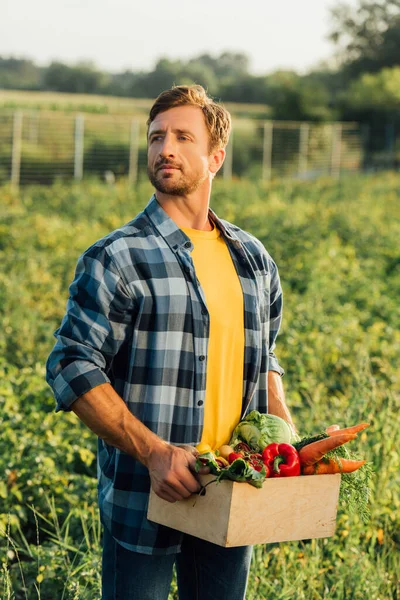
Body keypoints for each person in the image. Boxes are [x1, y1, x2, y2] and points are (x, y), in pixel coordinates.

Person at [46, 84, 296, 600]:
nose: (166, 148)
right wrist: (155, 453)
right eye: (157, 136)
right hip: (146, 497)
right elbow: (71, 363)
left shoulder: (253, 259)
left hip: (232, 492)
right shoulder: (117, 256)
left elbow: (265, 351)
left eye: (184, 137)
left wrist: (282, 422)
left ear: (216, 157)